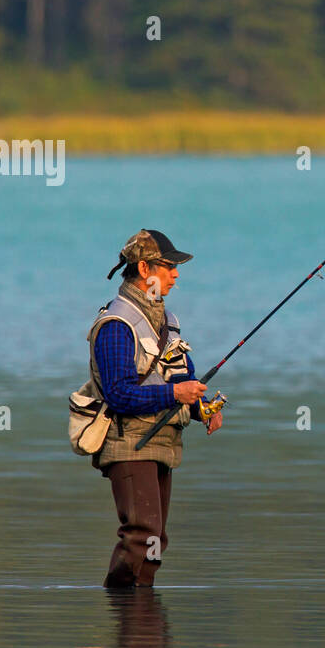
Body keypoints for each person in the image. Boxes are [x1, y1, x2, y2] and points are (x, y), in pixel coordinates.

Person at [87, 229, 222, 588]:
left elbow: (182, 380)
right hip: (129, 447)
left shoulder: (169, 322)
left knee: (154, 543)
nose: (176, 275)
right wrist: (177, 395)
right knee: (141, 535)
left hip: (162, 445)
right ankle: (123, 613)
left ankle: (142, 628)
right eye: (168, 267)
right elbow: (118, 395)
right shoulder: (117, 326)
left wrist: (203, 408)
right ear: (144, 268)